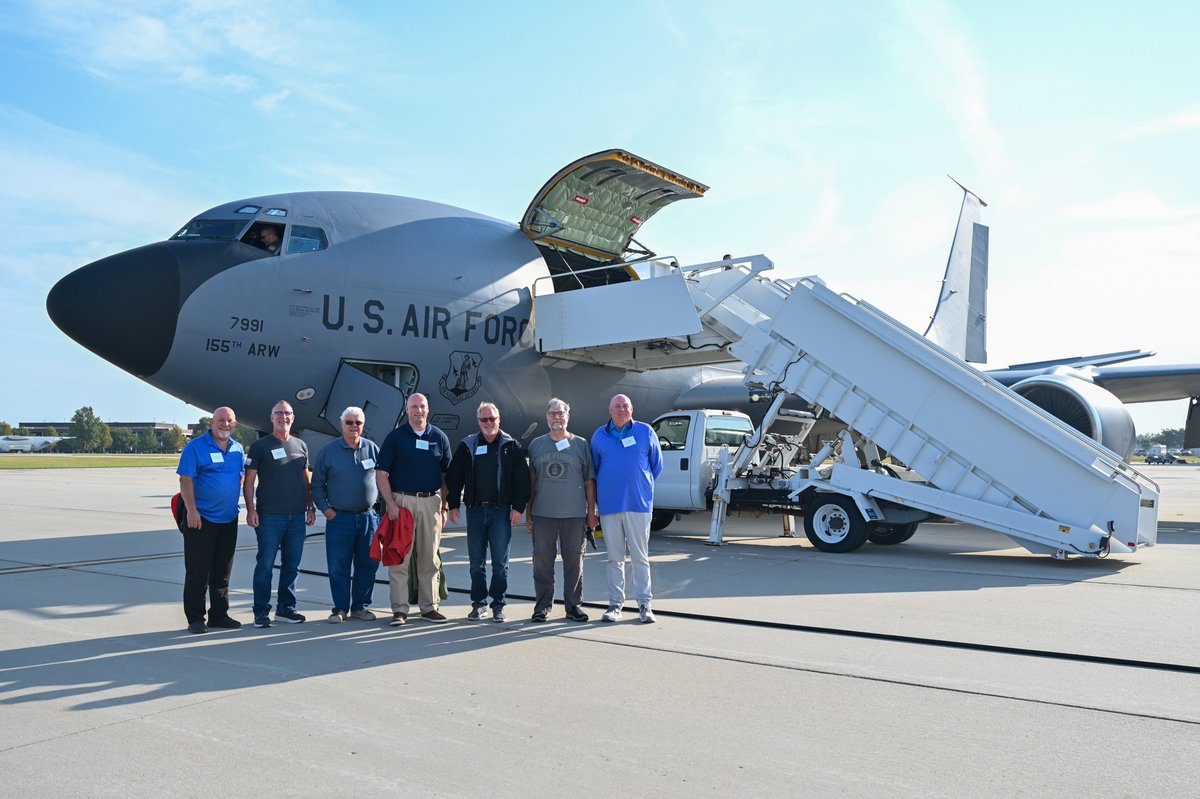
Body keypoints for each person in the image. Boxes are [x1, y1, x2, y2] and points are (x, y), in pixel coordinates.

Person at [446, 402, 530, 623]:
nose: (488, 423)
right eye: (484, 420)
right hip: (474, 511)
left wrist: (518, 507)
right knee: (476, 563)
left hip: (501, 512)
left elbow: (523, 479)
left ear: (499, 419)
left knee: (501, 563)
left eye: (492, 419)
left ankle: (498, 605)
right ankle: (479, 603)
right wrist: (454, 504)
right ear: (478, 422)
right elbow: (454, 477)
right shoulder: (468, 446)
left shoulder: (510, 446)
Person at [375, 392, 452, 625]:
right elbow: (381, 473)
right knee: (400, 558)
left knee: (429, 558)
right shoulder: (396, 437)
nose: (418, 411)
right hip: (402, 504)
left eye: (422, 406)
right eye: (414, 407)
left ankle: (429, 607)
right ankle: (400, 609)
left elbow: (446, 476)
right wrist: (390, 504)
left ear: (428, 410)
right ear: (407, 410)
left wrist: (444, 507)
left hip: (431, 503)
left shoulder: (439, 437)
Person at [591, 393, 663, 624]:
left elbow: (656, 466)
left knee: (640, 557)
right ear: (610, 410)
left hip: (638, 505)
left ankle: (644, 604)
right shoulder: (599, 436)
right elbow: (595, 469)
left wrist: (641, 486)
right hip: (610, 506)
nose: (621, 409)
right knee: (614, 558)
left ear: (631, 409)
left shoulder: (645, 432)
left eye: (625, 406)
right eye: (617, 406)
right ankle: (615, 605)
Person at [244, 400, 315, 628]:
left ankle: (286, 608)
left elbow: (306, 479)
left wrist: (310, 506)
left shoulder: (301, 445)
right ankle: (261, 612)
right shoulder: (260, 446)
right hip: (269, 517)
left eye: (288, 413)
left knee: (292, 565)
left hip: (296, 516)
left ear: (293, 418)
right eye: (279, 413)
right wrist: (251, 509)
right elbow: (250, 480)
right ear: (271, 418)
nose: (283, 417)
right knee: (265, 565)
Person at [526, 398, 597, 623]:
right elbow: (532, 482)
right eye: (552, 413)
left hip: (574, 515)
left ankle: (573, 606)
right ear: (546, 417)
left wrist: (591, 512)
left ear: (568, 416)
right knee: (542, 563)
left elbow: (589, 482)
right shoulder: (536, 445)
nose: (556, 417)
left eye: (560, 413)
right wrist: (529, 513)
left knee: (574, 563)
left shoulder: (581, 444)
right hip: (543, 514)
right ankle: (542, 607)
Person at [176, 406, 245, 634]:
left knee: (222, 570)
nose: (225, 424)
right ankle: (196, 618)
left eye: (230, 421)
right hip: (201, 518)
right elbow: (185, 480)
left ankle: (219, 615)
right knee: (198, 570)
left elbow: (240, 478)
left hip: (228, 518)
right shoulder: (196, 447)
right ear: (212, 422)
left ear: (235, 424)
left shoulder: (237, 449)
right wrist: (192, 510)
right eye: (221, 420)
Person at [310, 406, 381, 623]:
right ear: (342, 425)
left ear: (363, 425)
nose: (354, 426)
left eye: (358, 423)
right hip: (340, 518)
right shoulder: (328, 451)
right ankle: (340, 608)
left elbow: (383, 479)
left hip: (369, 518)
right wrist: (325, 508)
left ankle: (360, 607)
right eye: (349, 422)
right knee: (338, 565)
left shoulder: (372, 448)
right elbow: (317, 484)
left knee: (368, 564)